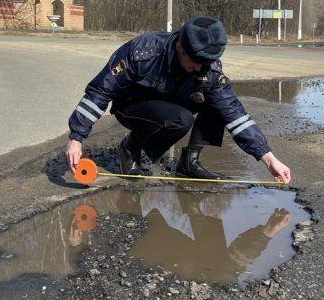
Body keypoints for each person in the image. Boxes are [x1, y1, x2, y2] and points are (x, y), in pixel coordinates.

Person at [65, 16, 291, 183]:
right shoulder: (143, 51)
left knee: (217, 102)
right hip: (132, 105)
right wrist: (77, 136)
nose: (200, 68)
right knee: (180, 119)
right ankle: (130, 147)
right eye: (195, 61)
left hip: (171, 105)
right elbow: (101, 90)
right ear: (180, 46)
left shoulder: (208, 69)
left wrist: (268, 158)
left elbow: (235, 114)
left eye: (206, 62)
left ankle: (189, 162)